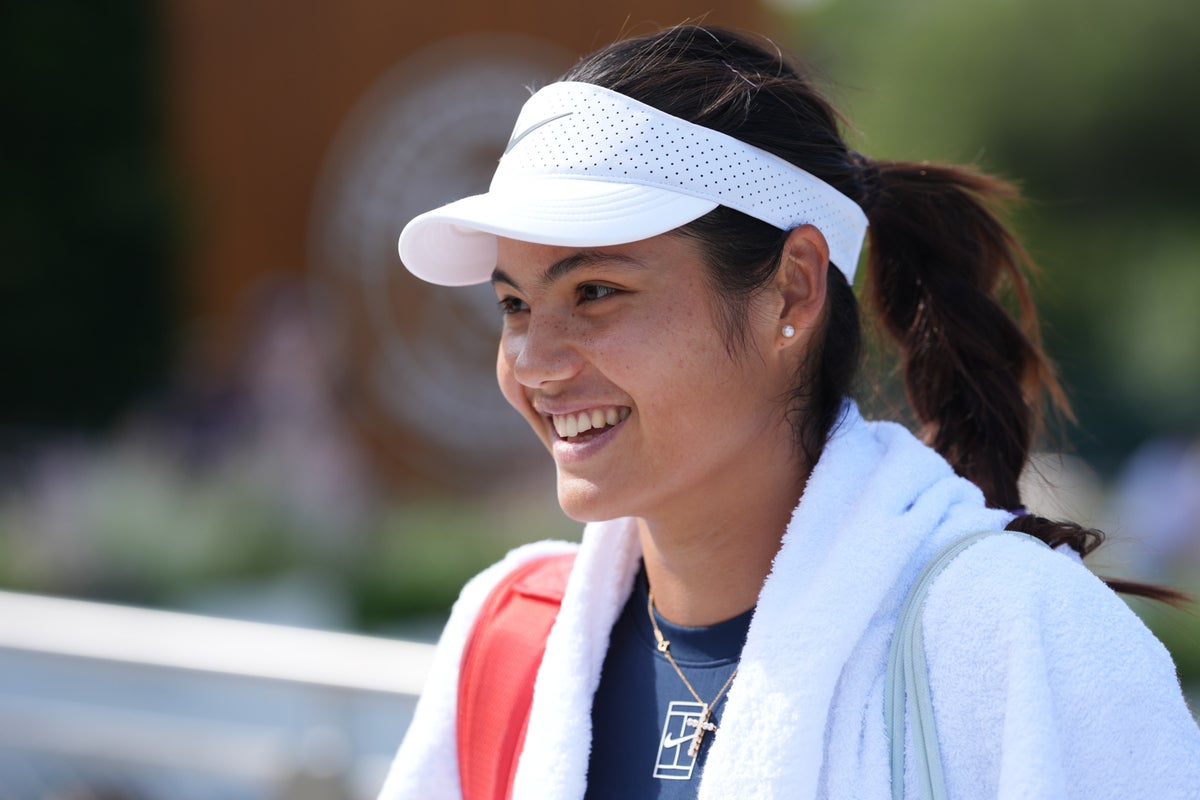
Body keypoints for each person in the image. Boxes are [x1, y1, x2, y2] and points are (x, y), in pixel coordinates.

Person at [378, 25, 1200, 800]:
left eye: (595, 292)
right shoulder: (510, 637)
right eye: (514, 305)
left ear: (795, 287)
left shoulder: (1014, 636)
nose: (534, 363)